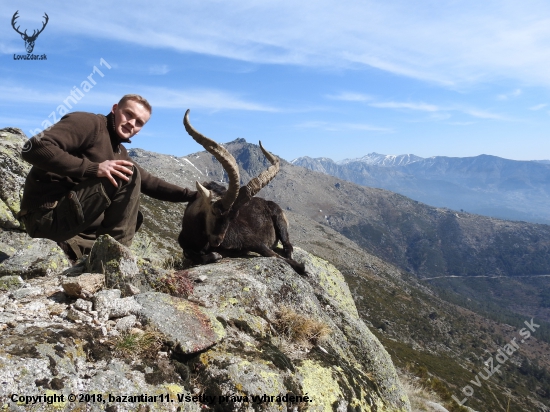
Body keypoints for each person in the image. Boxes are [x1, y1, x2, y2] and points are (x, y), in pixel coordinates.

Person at [18, 94, 196, 260]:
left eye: (139, 122)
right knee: (126, 173)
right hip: (45, 218)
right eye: (128, 114)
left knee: (135, 216)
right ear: (114, 109)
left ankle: (86, 252)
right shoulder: (89, 123)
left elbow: (150, 183)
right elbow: (33, 148)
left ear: (140, 130)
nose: (131, 123)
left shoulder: (119, 150)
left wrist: (193, 195)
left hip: (73, 229)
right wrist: (93, 169)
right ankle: (112, 261)